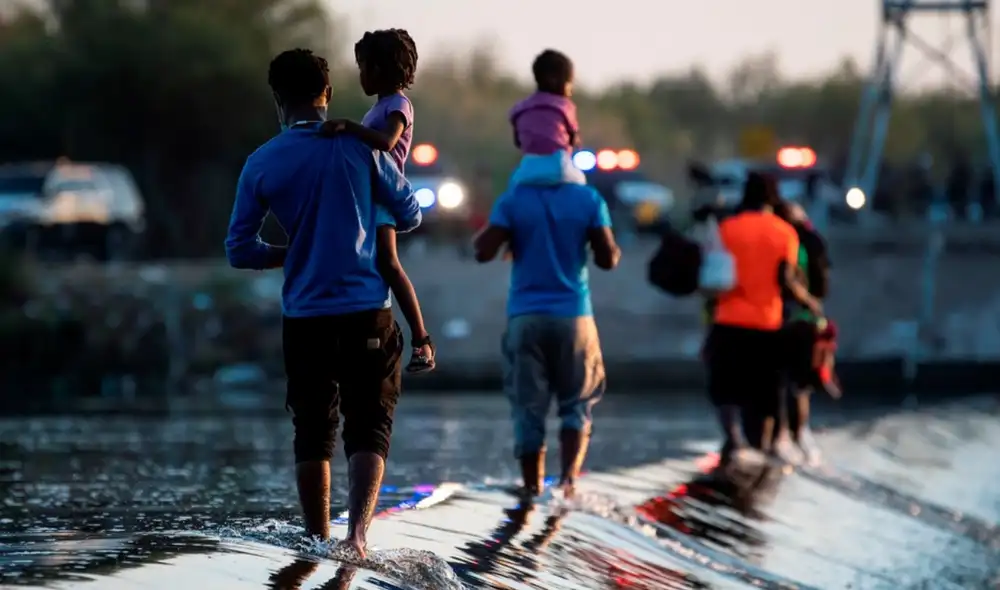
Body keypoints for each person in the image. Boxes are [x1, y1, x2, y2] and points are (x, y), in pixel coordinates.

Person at [225, 48, 422, 557]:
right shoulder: (362, 149)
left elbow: (239, 249)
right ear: (327, 94)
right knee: (369, 423)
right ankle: (356, 539)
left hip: (305, 315)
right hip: (367, 309)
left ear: (278, 99)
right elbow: (410, 212)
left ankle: (317, 541)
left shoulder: (262, 161)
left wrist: (292, 252)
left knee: (312, 428)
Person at [472, 176, 620, 499]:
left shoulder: (514, 199)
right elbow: (608, 259)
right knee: (577, 404)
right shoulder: (588, 199)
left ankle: (531, 488)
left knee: (528, 407)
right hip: (574, 317)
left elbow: (482, 251)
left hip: (525, 317)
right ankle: (566, 486)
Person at [321, 29, 434, 373]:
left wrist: (348, 127)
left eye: (364, 68)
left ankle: (422, 340)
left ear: (381, 69)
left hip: (384, 195)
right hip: (369, 194)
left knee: (389, 263)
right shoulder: (380, 106)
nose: (361, 76)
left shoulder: (398, 105)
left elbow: (386, 143)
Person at [704, 173, 822, 463]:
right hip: (767, 323)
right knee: (767, 390)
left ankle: (733, 440)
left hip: (728, 319)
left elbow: (713, 274)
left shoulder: (727, 228)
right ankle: (766, 446)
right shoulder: (784, 232)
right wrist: (809, 301)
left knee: (725, 386)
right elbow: (787, 280)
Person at [773, 201, 833, 464]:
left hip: (777, 319)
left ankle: (783, 436)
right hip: (804, 320)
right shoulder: (810, 239)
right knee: (799, 385)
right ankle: (799, 436)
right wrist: (812, 303)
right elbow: (822, 280)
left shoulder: (780, 239)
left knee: (778, 381)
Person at [508, 49, 585, 186]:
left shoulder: (521, 108)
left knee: (514, 184)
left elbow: (517, 141)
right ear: (561, 82)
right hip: (557, 164)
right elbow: (574, 136)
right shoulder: (564, 107)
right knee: (580, 180)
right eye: (570, 83)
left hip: (529, 166)